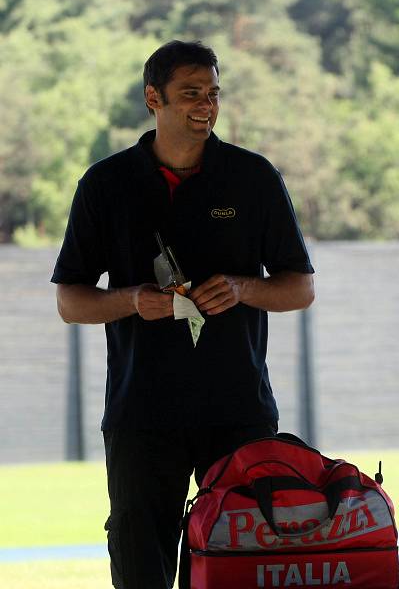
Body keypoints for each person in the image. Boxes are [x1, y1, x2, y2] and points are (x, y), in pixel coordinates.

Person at [51, 40, 315, 589]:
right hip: (141, 415)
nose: (206, 105)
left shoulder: (253, 177)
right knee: (141, 569)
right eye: (191, 93)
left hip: (238, 410)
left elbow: (299, 289)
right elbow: (71, 301)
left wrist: (243, 288)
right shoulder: (105, 185)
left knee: (238, 571)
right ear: (154, 98)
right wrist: (130, 300)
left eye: (213, 94)